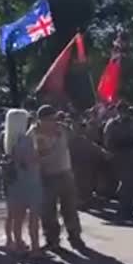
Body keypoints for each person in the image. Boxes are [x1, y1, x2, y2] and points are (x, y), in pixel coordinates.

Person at [28, 105, 84, 251]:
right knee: (48, 211)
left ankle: (75, 236)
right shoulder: (33, 133)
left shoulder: (63, 129)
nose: (52, 123)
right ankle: (52, 239)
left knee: (70, 207)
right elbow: (30, 155)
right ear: (40, 120)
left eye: (53, 119)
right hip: (45, 175)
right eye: (48, 120)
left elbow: (77, 138)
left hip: (65, 173)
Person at [3, 109, 44, 257]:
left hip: (14, 182)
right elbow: (30, 161)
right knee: (33, 217)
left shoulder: (6, 139)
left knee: (17, 217)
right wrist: (43, 152)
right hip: (30, 181)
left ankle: (17, 243)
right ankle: (35, 248)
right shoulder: (25, 140)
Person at [104, 103, 133, 222]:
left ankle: (130, 207)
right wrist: (113, 152)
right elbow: (107, 139)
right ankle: (124, 208)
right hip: (119, 156)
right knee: (125, 183)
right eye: (120, 110)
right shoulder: (112, 124)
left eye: (124, 110)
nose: (123, 113)